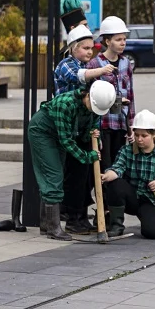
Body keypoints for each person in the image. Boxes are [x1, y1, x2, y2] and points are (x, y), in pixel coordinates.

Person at [27, 81, 116, 242]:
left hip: (59, 135)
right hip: (43, 132)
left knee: (56, 175)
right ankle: (53, 228)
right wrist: (88, 157)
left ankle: (45, 224)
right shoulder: (65, 104)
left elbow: (88, 128)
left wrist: (92, 134)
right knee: (53, 175)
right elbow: (67, 141)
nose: (92, 110)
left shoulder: (95, 107)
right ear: (87, 95)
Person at [53, 25, 115, 234]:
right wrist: (101, 70)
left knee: (88, 174)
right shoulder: (65, 65)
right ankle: (72, 217)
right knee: (75, 175)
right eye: (85, 48)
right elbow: (77, 76)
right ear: (73, 48)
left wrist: (95, 129)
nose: (90, 52)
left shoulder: (91, 71)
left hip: (84, 128)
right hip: (68, 127)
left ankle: (80, 214)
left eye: (91, 48)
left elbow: (94, 102)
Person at [100, 109, 155, 240]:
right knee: (115, 184)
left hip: (152, 200)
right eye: (137, 135)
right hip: (132, 197)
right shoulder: (126, 151)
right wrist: (107, 175)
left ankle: (152, 218)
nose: (139, 139)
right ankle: (116, 225)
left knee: (153, 233)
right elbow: (117, 168)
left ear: (154, 134)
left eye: (144, 136)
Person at [86, 16, 134, 169]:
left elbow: (131, 95)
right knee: (104, 166)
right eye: (118, 39)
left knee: (119, 166)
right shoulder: (95, 64)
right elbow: (89, 97)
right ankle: (103, 194)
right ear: (107, 41)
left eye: (124, 39)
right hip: (103, 124)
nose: (123, 43)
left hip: (121, 123)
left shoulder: (126, 63)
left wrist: (131, 125)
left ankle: (114, 193)